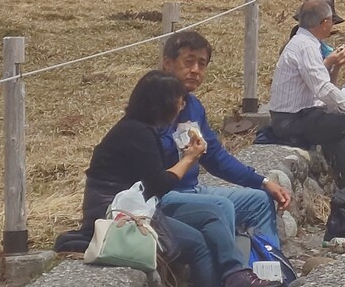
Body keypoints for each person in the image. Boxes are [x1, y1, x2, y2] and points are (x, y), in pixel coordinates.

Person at [63, 71, 268, 287]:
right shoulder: (138, 134)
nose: (181, 106)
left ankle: (236, 273)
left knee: (214, 214)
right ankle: (233, 276)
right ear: (165, 104)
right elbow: (158, 185)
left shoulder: (137, 128)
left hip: (137, 206)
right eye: (179, 101)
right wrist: (189, 158)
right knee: (198, 244)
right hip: (118, 214)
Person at [158, 30, 289, 248]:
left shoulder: (194, 106)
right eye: (188, 62)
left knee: (260, 200)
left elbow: (215, 156)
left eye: (202, 64)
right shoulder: (152, 105)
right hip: (163, 196)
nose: (195, 70)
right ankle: (230, 267)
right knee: (221, 207)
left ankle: (269, 264)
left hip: (193, 191)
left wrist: (263, 182)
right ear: (167, 63)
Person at [266, 0, 345, 185]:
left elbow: (319, 89)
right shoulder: (305, 46)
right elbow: (322, 89)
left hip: (302, 113)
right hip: (291, 120)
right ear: (325, 22)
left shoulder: (305, 43)